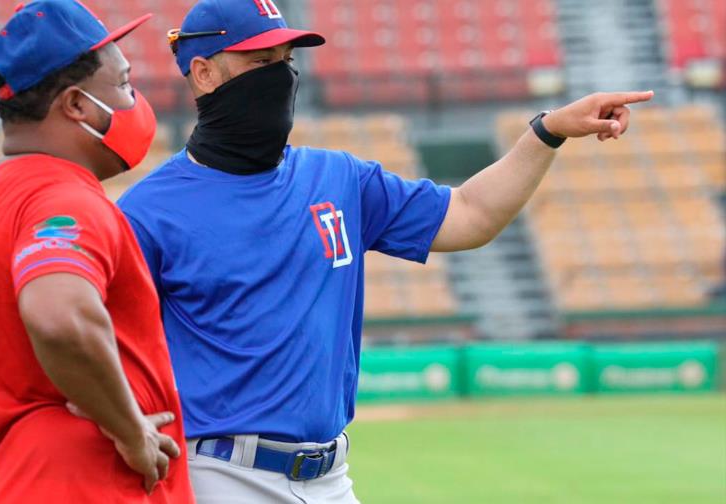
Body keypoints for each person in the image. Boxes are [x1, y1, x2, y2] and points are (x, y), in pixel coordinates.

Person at [115, 0, 654, 502]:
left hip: (332, 477)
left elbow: (469, 215)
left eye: (286, 58)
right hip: (220, 475)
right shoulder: (148, 212)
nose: (281, 74)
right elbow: (102, 345)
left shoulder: (340, 178)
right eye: (260, 60)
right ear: (204, 73)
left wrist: (547, 131)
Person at [0, 1, 194, 502]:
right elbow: (60, 317)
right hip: (83, 482)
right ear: (76, 105)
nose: (133, 100)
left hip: (14, 479)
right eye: (122, 85)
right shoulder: (64, 198)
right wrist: (130, 430)